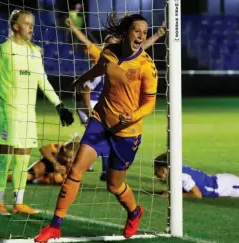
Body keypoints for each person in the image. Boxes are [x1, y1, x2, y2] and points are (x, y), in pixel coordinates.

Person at [35, 13, 158, 243]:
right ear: (127, 33)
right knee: (75, 172)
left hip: (126, 132)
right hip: (100, 120)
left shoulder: (146, 67)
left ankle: (134, 212)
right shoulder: (110, 52)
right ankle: (55, 226)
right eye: (137, 31)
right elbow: (101, 68)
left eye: (145, 32)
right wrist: (81, 79)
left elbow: (150, 102)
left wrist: (133, 115)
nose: (142, 36)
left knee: (114, 185)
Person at [0, 9, 74, 216]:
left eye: (32, 23)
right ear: (16, 26)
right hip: (7, 111)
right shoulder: (3, 50)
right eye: (26, 23)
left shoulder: (35, 51)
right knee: (5, 157)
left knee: (24, 158)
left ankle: (19, 202)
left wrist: (59, 105)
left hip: (27, 114)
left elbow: (42, 80)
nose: (31, 27)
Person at [65, 17, 166, 179]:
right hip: (93, 104)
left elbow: (139, 50)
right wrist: (89, 109)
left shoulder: (128, 60)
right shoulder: (104, 57)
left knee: (102, 139)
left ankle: (100, 168)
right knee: (98, 137)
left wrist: (157, 35)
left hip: (106, 103)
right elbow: (85, 89)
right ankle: (89, 164)